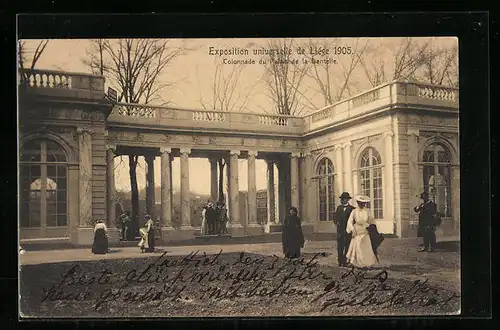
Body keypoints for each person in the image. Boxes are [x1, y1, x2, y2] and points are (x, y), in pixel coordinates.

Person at [345, 195, 378, 268]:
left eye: (363, 203)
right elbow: (350, 221)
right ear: (357, 203)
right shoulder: (354, 211)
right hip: (357, 231)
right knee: (358, 247)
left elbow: (372, 220)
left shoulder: (367, 211)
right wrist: (352, 230)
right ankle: (359, 263)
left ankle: (367, 263)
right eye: (360, 203)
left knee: (365, 247)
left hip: (365, 231)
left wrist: (372, 227)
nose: (362, 204)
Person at [334, 192, 355, 267]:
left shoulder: (352, 209)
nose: (342, 200)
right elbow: (335, 217)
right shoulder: (339, 208)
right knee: (340, 247)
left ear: (347, 200)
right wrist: (336, 222)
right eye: (341, 199)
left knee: (347, 246)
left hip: (348, 231)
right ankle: (340, 261)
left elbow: (354, 220)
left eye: (344, 199)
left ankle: (345, 261)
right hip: (340, 231)